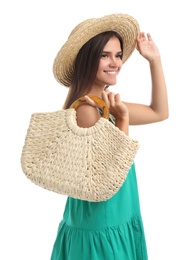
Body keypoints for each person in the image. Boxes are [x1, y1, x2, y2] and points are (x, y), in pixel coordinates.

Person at [50, 13, 168, 260]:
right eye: (104, 55)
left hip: (117, 217)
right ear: (87, 59)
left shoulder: (103, 105)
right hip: (102, 224)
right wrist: (123, 120)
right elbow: (108, 178)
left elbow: (159, 112)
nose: (115, 62)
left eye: (117, 55)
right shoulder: (86, 110)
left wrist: (154, 61)